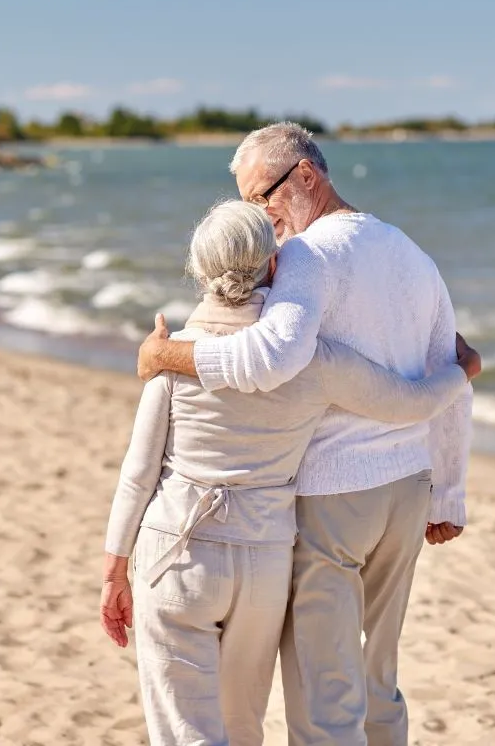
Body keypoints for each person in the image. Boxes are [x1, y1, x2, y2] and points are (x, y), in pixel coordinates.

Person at [136, 123, 474, 746]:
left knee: (326, 701)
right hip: (407, 489)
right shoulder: (410, 253)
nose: (259, 217)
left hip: (332, 496)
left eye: (260, 197)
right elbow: (450, 372)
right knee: (378, 679)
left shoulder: (306, 256)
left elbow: (273, 357)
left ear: (307, 176)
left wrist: (168, 356)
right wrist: (448, 495)